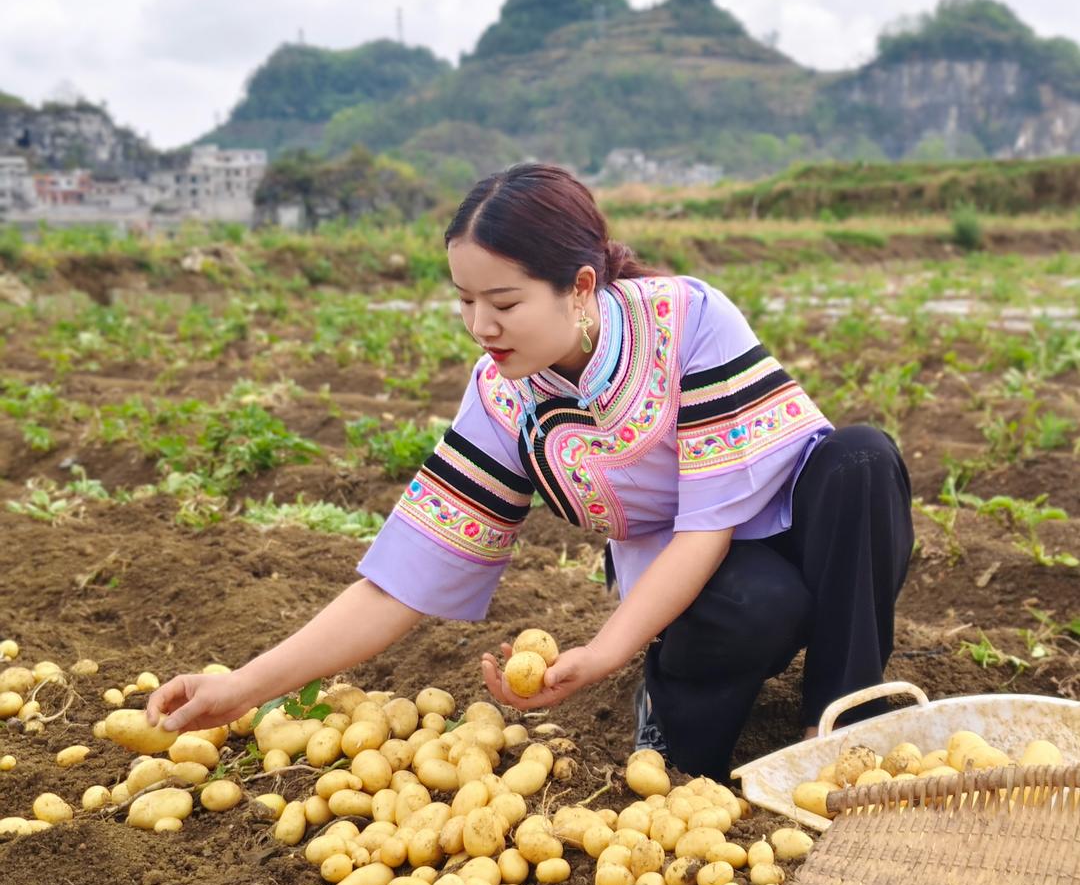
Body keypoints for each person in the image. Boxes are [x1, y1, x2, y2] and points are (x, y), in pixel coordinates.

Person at [147, 163, 913, 780]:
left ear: (581, 286)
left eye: (504, 301)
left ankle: (842, 723)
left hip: (781, 532)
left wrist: (602, 649)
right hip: (708, 591)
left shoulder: (688, 319)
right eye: (466, 301)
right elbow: (401, 578)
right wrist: (244, 687)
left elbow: (710, 522)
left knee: (861, 460)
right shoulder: (503, 399)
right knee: (758, 600)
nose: (482, 327)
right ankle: (678, 732)